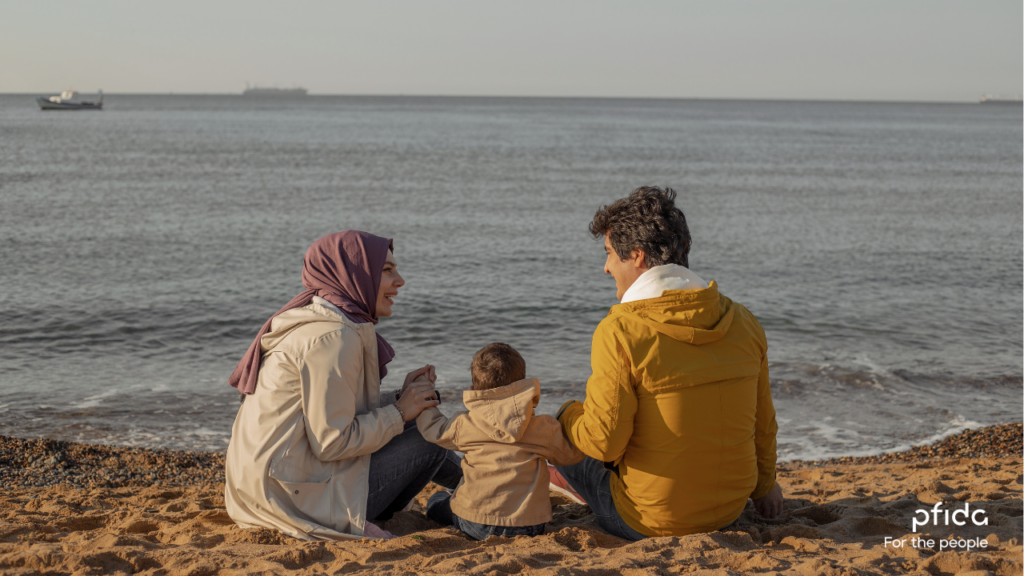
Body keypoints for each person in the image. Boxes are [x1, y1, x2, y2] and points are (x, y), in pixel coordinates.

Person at [552, 186, 783, 541]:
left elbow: (604, 444)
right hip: (729, 510)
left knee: (569, 427)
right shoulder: (743, 320)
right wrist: (765, 486)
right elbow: (763, 423)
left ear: (638, 257)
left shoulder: (620, 330)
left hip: (650, 520)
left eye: (611, 254)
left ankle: (562, 478)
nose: (606, 267)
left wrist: (567, 414)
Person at [224, 231, 461, 541]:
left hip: (265, 488)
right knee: (430, 440)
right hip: (294, 501)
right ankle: (496, 489)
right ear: (355, 275)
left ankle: (488, 484)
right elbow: (332, 442)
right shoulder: (333, 338)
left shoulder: (319, 322)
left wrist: (401, 401)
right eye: (387, 270)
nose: (400, 280)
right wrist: (400, 412)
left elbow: (331, 413)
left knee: (418, 424)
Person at [415, 343, 584, 540]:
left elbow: (433, 428)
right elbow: (571, 453)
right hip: (530, 526)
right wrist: (574, 415)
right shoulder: (541, 428)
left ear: (473, 389)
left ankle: (441, 502)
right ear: (523, 386)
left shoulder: (466, 423)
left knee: (439, 501)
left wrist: (425, 394)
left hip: (476, 523)